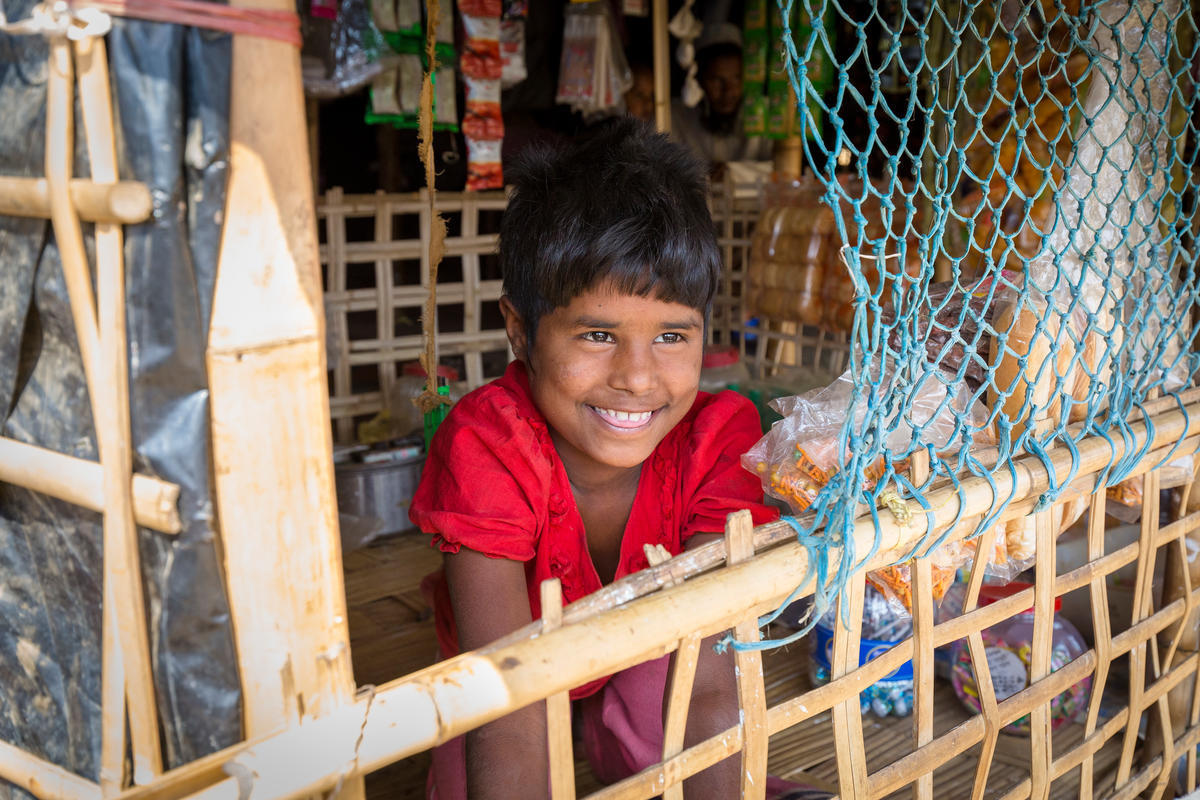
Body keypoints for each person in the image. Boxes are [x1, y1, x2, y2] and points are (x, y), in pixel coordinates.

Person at [409, 118, 781, 798]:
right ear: (521, 331)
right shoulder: (487, 447)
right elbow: (510, 700)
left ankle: (608, 728)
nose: (638, 378)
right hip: (506, 672)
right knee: (475, 768)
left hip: (648, 649)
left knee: (674, 731)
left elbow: (707, 688)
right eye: (599, 334)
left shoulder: (715, 441)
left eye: (671, 335)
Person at [671, 23, 773, 175]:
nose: (728, 91)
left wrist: (732, 171)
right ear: (698, 79)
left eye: (737, 79)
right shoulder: (676, 115)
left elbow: (780, 170)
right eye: (717, 80)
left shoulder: (765, 112)